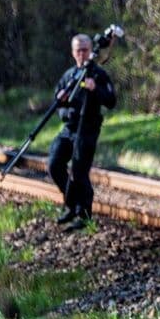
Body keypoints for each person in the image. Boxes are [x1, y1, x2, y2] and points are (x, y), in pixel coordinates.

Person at [47, 33, 117, 229]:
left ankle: (84, 215)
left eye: (85, 50)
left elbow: (111, 101)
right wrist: (63, 108)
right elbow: (57, 104)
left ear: (91, 51)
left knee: (79, 171)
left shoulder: (98, 74)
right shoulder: (69, 76)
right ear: (73, 53)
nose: (82, 54)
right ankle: (72, 205)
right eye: (78, 50)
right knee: (54, 163)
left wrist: (96, 90)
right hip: (69, 128)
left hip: (88, 129)